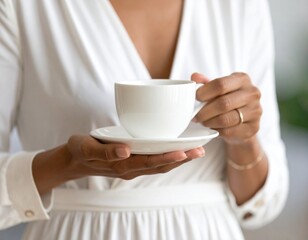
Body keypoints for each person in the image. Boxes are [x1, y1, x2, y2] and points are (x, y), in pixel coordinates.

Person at [0, 0, 289, 239]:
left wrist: (243, 139)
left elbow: (262, 204)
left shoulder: (240, 6)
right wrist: (67, 163)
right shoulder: (23, 6)